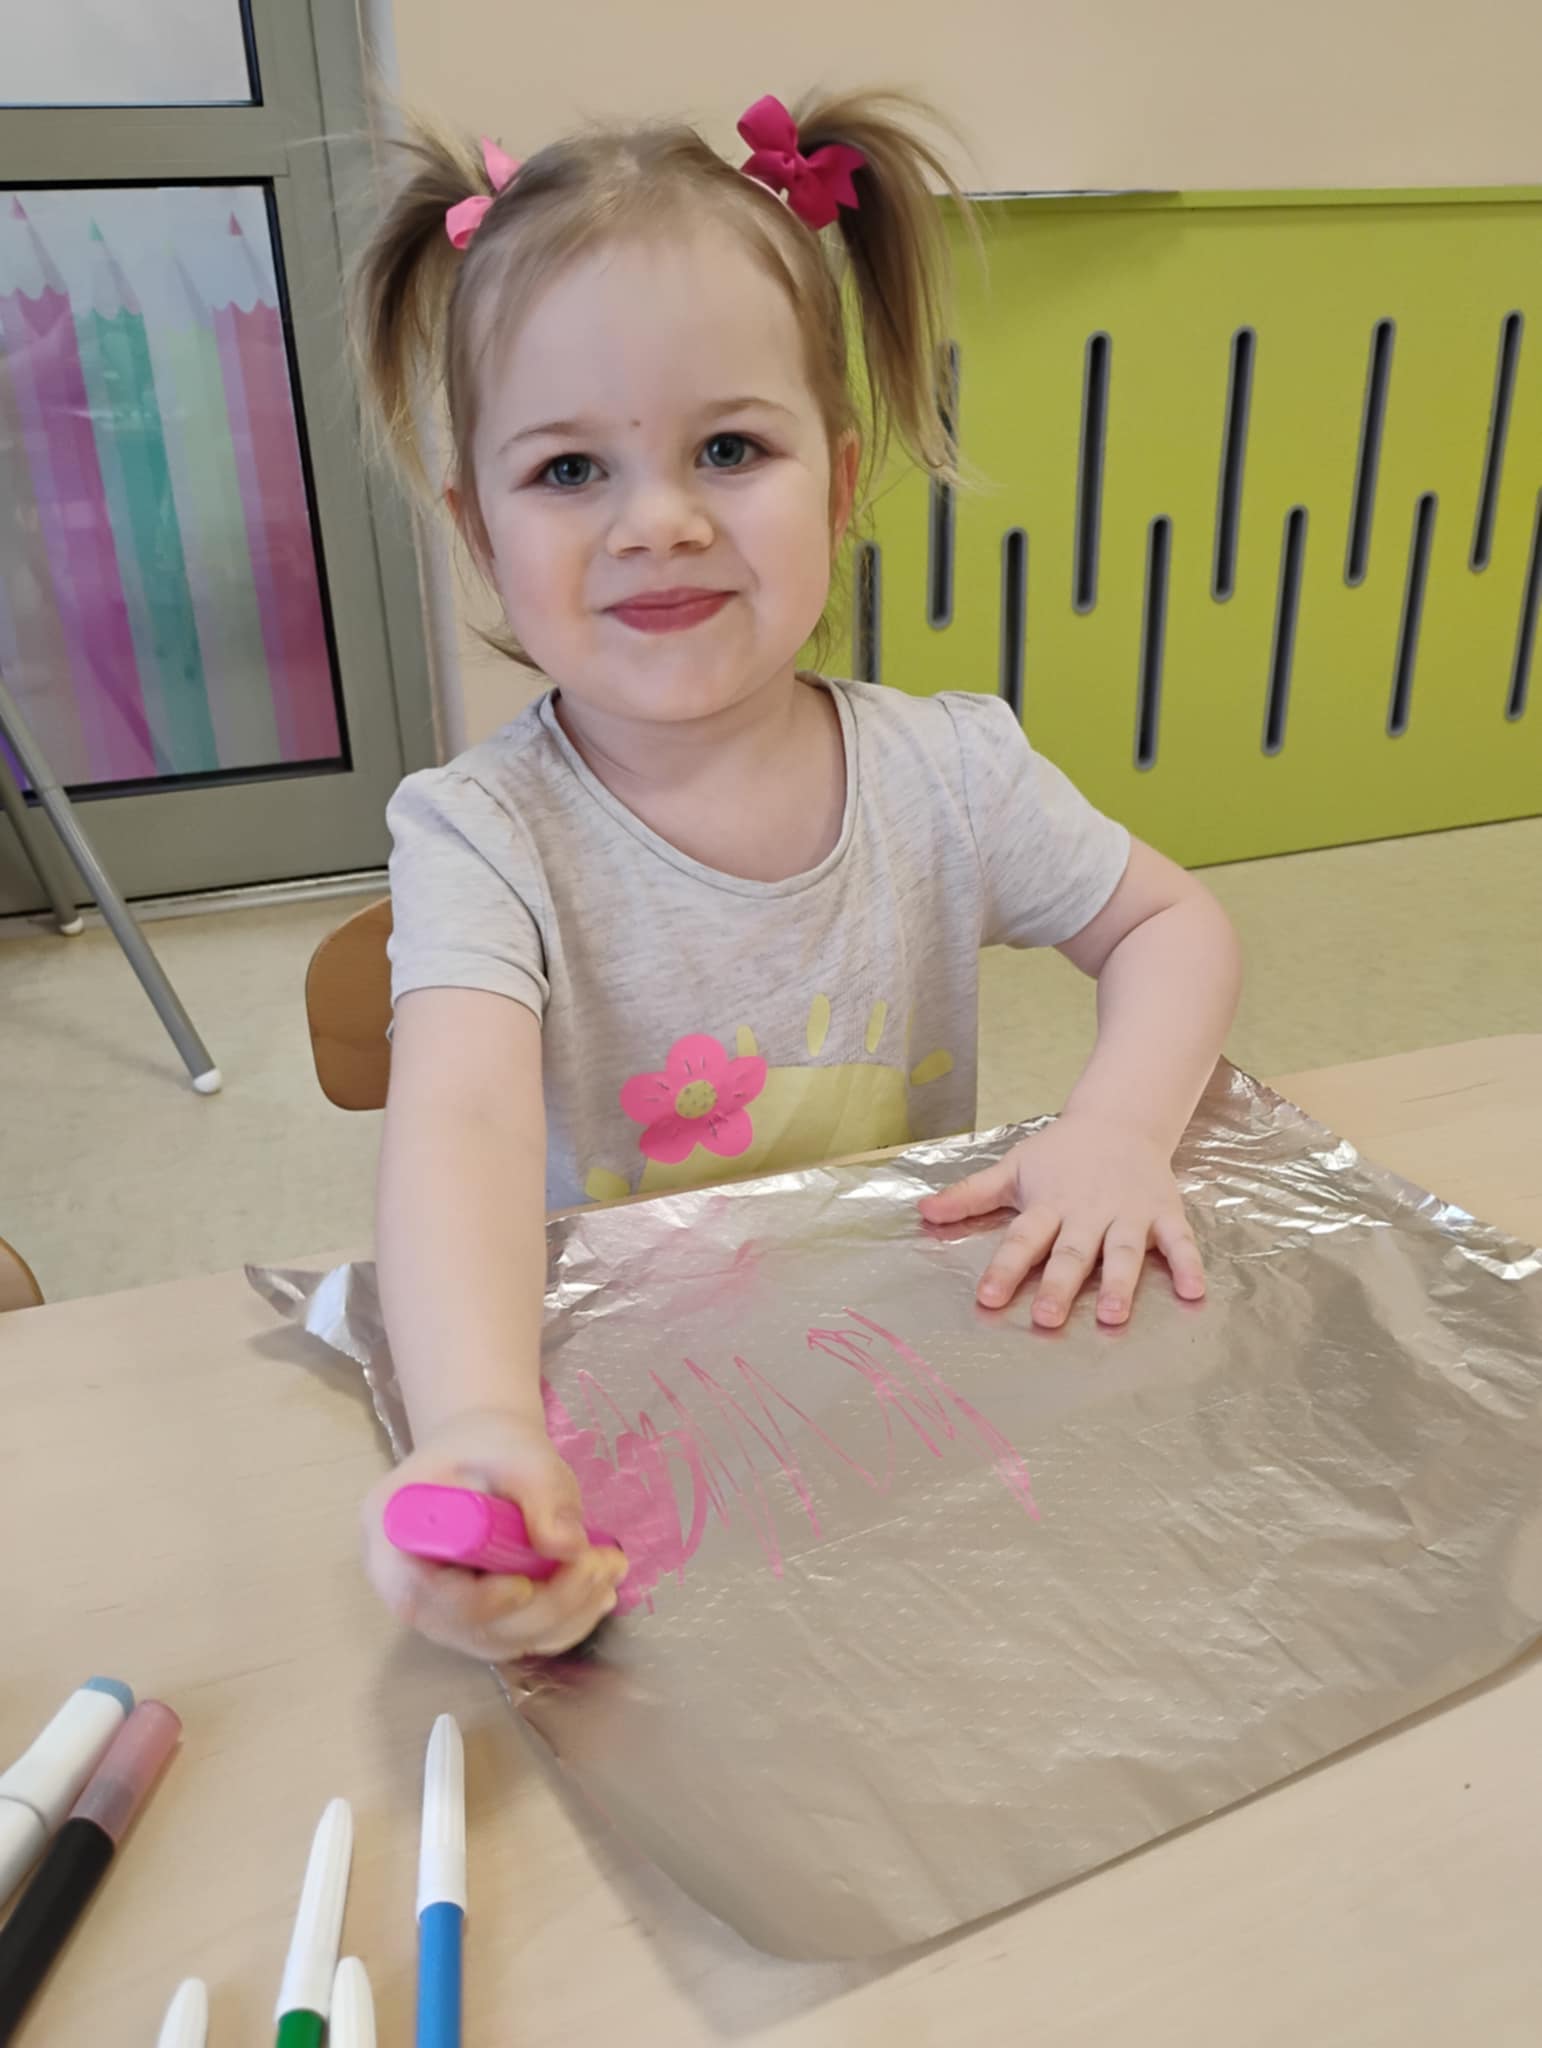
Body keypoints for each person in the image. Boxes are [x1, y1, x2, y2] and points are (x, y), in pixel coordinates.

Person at [350, 91, 1241, 1659]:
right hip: (624, 1415)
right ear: (478, 534)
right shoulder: (479, 834)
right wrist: (479, 1423)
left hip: (898, 1386)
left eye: (727, 450)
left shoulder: (948, 772)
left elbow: (1169, 922)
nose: (659, 521)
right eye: (568, 470)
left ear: (834, 485)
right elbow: (462, 1124)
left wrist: (1113, 1129)